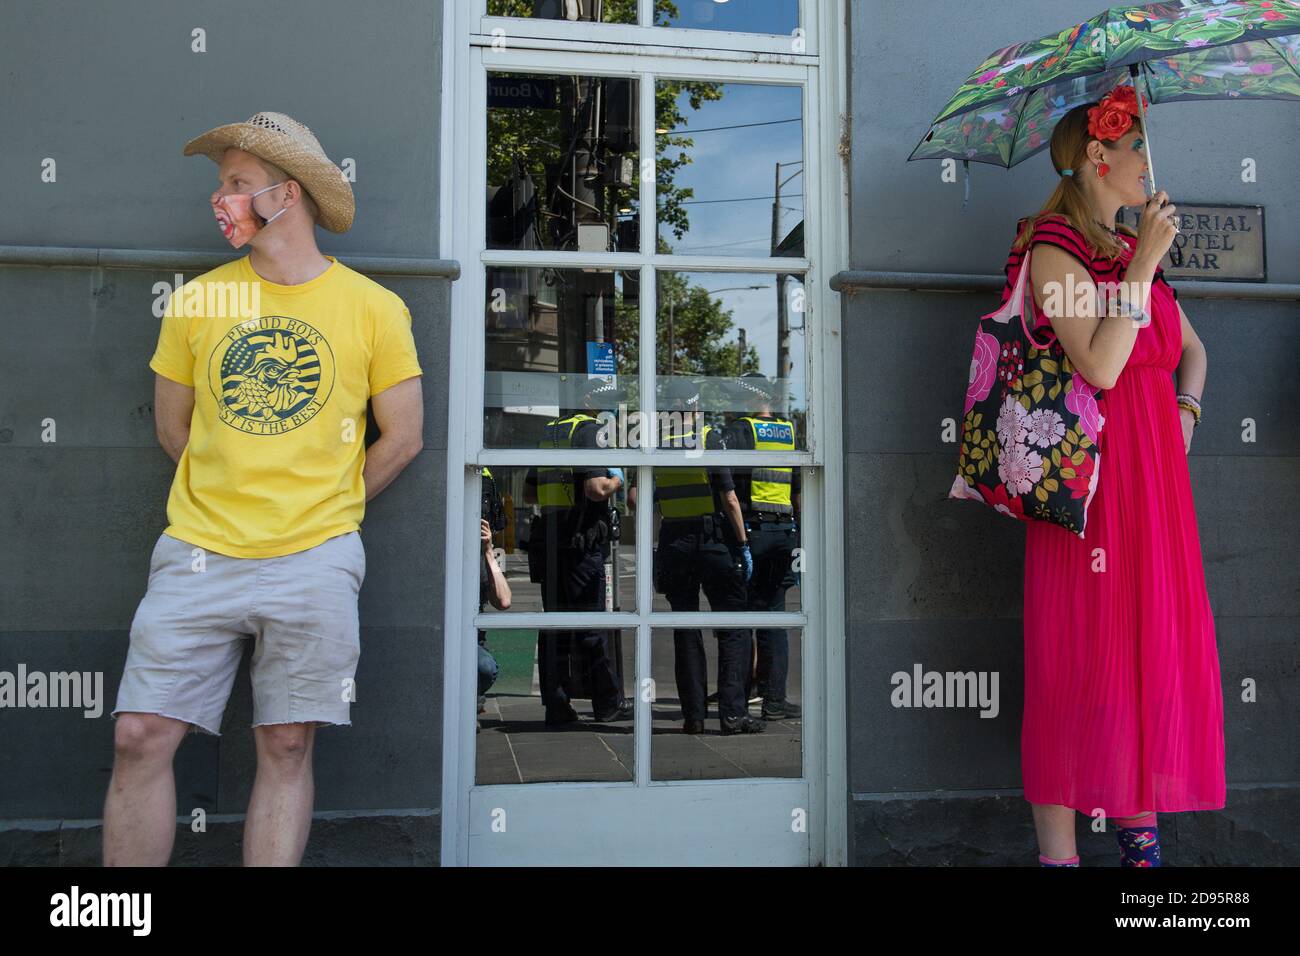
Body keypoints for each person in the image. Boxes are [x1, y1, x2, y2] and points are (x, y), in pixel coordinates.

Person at [104, 112, 425, 866]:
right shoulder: (199, 302)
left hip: (316, 557)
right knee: (139, 735)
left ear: (290, 194)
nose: (222, 198)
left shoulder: (375, 309)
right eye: (221, 184)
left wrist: (324, 504)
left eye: (238, 184)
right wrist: (237, 491)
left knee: (285, 743)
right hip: (197, 552)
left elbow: (403, 437)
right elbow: (173, 431)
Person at [1008, 87, 1223, 867]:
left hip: (1158, 485)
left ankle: (1141, 855)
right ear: (1099, 157)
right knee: (1078, 665)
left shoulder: (1128, 252)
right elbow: (1098, 364)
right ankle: (1060, 859)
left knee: (1146, 660)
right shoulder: (1054, 249)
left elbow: (1191, 350)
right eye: (1138, 148)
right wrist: (1144, 260)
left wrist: (1187, 415)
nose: (1148, 164)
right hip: (1090, 494)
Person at [649, 378, 762, 735]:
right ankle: (732, 715)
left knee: (686, 630)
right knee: (732, 629)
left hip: (674, 542)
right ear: (696, 408)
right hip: (713, 542)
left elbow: (641, 500)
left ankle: (694, 717)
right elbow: (729, 499)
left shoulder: (656, 444)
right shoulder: (708, 437)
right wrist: (743, 545)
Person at [523, 378, 633, 726]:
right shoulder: (591, 431)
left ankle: (557, 706)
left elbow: (529, 494)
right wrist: (618, 478)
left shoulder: (551, 432)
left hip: (551, 542)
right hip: (582, 543)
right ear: (587, 400)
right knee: (590, 626)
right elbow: (596, 489)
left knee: (554, 627)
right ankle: (606, 702)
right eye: (605, 401)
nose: (609, 409)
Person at [724, 372, 802, 721]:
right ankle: (774, 699)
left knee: (741, 618)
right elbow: (799, 490)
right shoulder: (787, 431)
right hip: (783, 532)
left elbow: (725, 486)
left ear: (754, 399)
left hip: (750, 532)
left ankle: (739, 700)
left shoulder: (740, 431)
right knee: (773, 618)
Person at [477, 468, 511, 731]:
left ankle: (474, 697)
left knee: (484, 667)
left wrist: (488, 552)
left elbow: (503, 601)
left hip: (471, 643)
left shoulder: (485, 550)